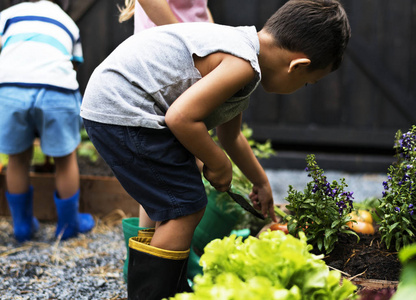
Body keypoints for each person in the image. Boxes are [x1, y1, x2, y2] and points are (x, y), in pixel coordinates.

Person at [81, 0, 351, 298]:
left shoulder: (239, 47)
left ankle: (166, 286)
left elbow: (230, 135)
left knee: (169, 201)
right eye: (308, 83)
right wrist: (217, 163)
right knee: (185, 205)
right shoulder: (241, 63)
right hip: (124, 108)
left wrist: (259, 181)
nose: (303, 88)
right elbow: (181, 117)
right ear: (297, 65)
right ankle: (153, 293)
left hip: (115, 104)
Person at [0, 0, 95, 243]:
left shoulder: (8, 15)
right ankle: (68, 226)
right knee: (65, 159)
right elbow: (73, 62)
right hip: (57, 89)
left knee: (17, 158)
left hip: (11, 88)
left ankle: (22, 227)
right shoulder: (68, 22)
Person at [118, 0, 213, 230]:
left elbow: (200, 9)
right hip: (169, 58)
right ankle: (157, 256)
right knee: (167, 163)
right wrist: (188, 46)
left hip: (191, 60)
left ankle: (154, 255)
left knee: (174, 164)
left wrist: (214, 42)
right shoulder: (181, 45)